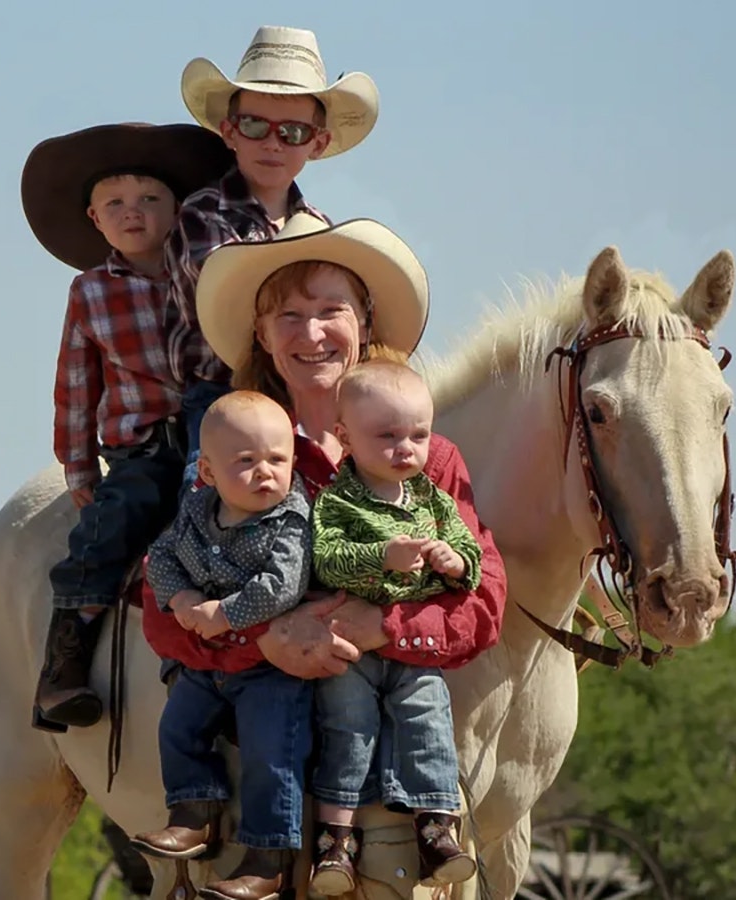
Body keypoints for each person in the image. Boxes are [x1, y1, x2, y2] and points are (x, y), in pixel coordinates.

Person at [138, 212, 508, 898]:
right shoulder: (233, 450)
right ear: (262, 334)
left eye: (331, 310)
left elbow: (484, 602)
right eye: (288, 315)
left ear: (364, 320)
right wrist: (264, 637)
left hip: (388, 752)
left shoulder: (429, 458)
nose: (311, 333)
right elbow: (162, 610)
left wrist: (386, 628)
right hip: (258, 741)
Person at [19, 122, 234, 733]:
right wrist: (78, 464)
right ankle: (62, 669)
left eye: (149, 200)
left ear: (179, 211)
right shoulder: (89, 293)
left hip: (218, 437)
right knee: (109, 529)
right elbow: (76, 384)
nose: (132, 213)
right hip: (144, 448)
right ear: (94, 218)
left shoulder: (209, 275)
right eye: (115, 203)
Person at [167, 25, 381, 496]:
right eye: (254, 126)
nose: (272, 143)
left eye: (292, 132)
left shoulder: (320, 227)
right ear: (229, 131)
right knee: (205, 503)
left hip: (307, 394)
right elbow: (234, 301)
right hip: (222, 394)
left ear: (317, 144)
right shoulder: (202, 215)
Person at [306, 358, 484, 892]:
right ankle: (336, 841)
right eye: (386, 436)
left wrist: (456, 562)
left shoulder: (432, 498)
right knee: (348, 729)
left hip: (412, 649)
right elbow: (324, 559)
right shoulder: (338, 500)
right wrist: (381, 555)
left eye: (419, 435)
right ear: (345, 437)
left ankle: (436, 828)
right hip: (351, 652)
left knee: (428, 720)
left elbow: (470, 551)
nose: (406, 448)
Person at [130, 390, 315, 900]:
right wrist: (181, 596)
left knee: (270, 752)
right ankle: (193, 811)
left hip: (267, 669)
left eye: (278, 460)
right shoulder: (195, 510)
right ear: (208, 474)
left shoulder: (290, 519)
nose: (266, 473)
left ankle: (269, 857)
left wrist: (225, 613)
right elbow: (162, 557)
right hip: (207, 663)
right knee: (177, 724)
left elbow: (284, 585)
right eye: (247, 462)